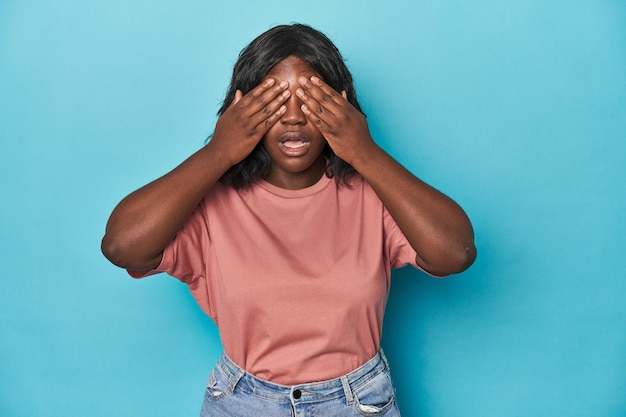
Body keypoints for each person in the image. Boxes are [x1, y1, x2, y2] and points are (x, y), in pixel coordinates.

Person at [102, 23, 476, 417]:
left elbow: (456, 252)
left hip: (357, 403)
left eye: (310, 100)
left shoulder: (374, 195)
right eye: (276, 101)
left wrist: (364, 152)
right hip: (243, 402)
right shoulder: (211, 204)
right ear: (240, 108)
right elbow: (122, 245)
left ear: (341, 106)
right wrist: (218, 151)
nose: (294, 118)